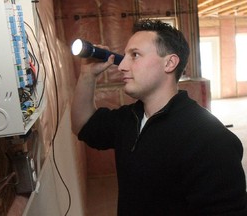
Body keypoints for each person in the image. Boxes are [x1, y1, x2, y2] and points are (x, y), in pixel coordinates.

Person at [71, 19, 247, 215]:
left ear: (170, 63)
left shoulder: (211, 140)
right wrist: (87, 75)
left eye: (135, 55)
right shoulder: (130, 119)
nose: (121, 66)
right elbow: (83, 125)